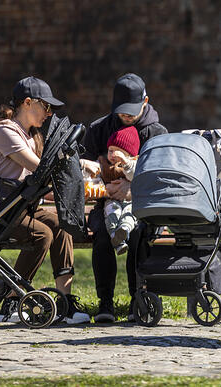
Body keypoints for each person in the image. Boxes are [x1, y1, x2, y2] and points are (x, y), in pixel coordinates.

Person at [0, 76, 90, 324]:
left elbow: (42, 180)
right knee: (42, 234)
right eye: (46, 106)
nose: (49, 114)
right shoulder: (4, 130)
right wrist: (79, 164)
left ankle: (64, 303)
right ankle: (11, 302)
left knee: (62, 224)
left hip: (16, 207)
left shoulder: (31, 136)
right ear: (28, 103)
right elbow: (41, 169)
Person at [80, 73, 168, 323]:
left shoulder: (157, 132)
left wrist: (133, 190)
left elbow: (161, 175)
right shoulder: (99, 129)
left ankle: (137, 299)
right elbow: (86, 169)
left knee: (139, 235)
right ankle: (105, 301)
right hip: (106, 202)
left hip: (144, 204)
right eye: (121, 111)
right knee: (103, 235)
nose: (125, 117)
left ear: (145, 101)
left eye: (131, 111)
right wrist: (102, 188)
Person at [82, 126, 140, 256]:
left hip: (131, 202)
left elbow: (134, 175)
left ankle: (124, 229)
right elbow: (95, 177)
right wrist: (98, 186)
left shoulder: (133, 163)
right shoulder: (103, 163)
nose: (113, 155)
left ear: (128, 154)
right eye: (110, 150)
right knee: (111, 213)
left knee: (129, 215)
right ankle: (116, 237)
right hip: (111, 199)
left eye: (118, 152)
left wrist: (125, 162)